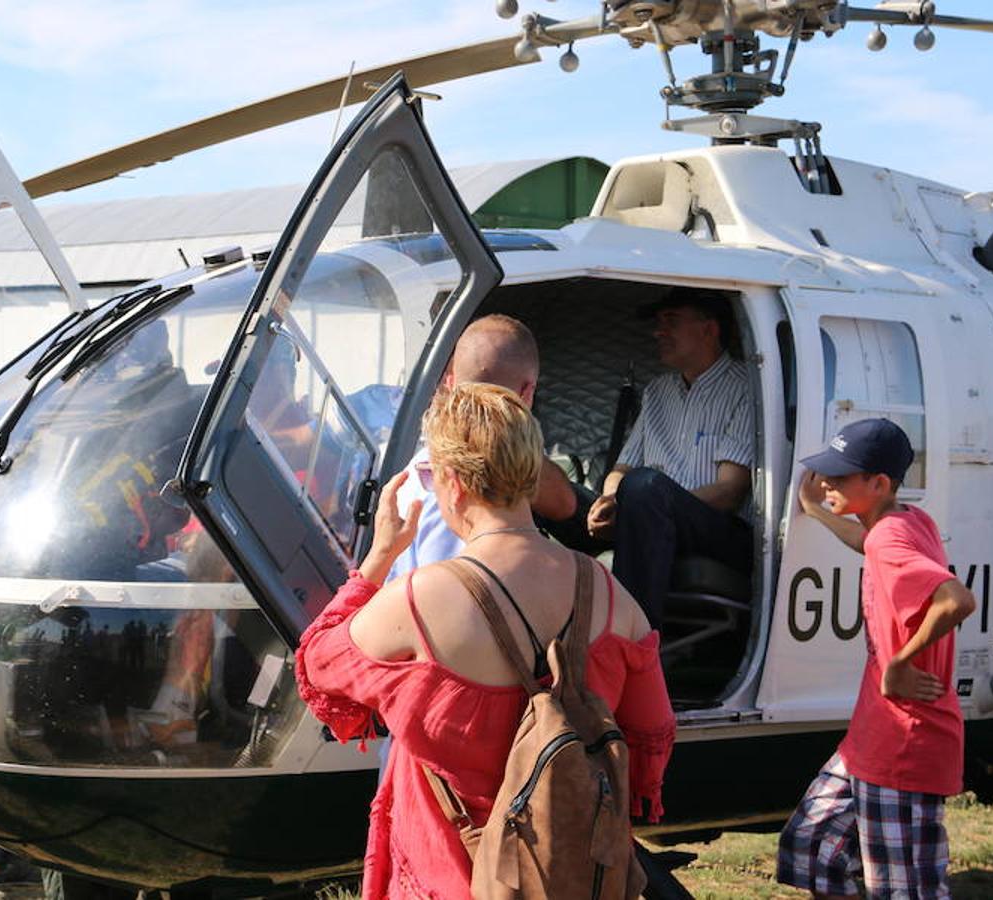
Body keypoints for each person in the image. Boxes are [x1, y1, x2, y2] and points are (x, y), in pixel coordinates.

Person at [295, 383, 675, 899]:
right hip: (568, 876)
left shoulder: (416, 601)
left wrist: (379, 558)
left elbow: (318, 663)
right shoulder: (610, 594)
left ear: (453, 483)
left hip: (446, 874)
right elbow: (651, 732)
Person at [777, 419, 975, 900]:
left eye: (839, 477)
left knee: (904, 890)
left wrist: (901, 662)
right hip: (871, 736)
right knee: (811, 847)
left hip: (905, 741)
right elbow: (866, 541)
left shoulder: (890, 539)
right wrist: (817, 511)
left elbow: (956, 600)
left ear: (879, 484)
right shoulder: (906, 520)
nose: (826, 482)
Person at [553, 292, 753, 632]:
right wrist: (610, 501)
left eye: (671, 322)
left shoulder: (746, 387)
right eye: (659, 324)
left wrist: (643, 505)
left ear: (709, 330)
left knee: (645, 488)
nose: (658, 332)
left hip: (715, 528)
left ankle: (632, 640)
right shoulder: (658, 391)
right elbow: (622, 469)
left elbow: (729, 491)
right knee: (545, 486)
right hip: (644, 513)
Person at [388, 314, 577, 579]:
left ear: (450, 382)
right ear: (527, 394)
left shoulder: (420, 470)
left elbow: (563, 504)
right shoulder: (463, 494)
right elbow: (453, 590)